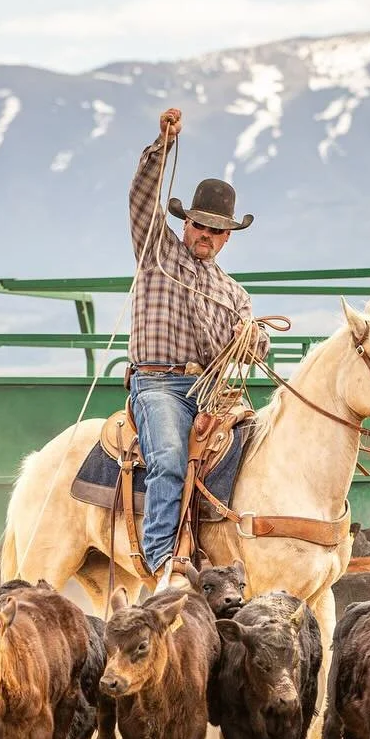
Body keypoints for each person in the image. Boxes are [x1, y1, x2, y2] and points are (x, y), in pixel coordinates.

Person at [127, 107, 269, 591]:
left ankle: (229, 546)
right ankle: (162, 563)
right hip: (158, 384)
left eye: (214, 229)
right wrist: (162, 146)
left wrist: (253, 339)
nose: (204, 235)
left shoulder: (235, 294)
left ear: (227, 236)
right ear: (185, 223)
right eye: (198, 225)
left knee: (259, 449)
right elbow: (141, 198)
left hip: (210, 392)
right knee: (168, 458)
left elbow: (256, 345)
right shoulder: (157, 253)